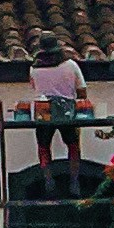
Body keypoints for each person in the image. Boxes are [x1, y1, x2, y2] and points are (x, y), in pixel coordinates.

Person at [30, 34, 87, 189]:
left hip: (44, 108)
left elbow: (35, 88)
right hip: (67, 108)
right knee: (73, 145)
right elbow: (82, 91)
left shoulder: (34, 69)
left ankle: (48, 179)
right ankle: (74, 180)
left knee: (43, 146)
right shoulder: (71, 65)